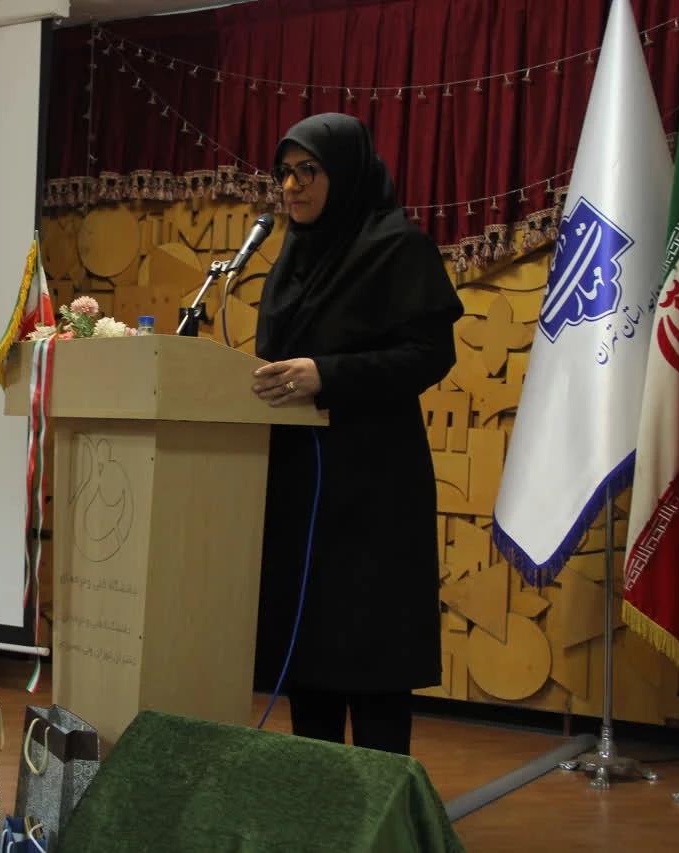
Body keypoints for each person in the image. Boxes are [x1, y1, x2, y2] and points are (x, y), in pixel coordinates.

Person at [250, 113, 464, 756]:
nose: (291, 186)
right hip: (298, 482)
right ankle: (317, 797)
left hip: (374, 486)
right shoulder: (292, 255)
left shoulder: (397, 246)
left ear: (344, 173)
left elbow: (429, 355)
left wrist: (329, 375)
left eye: (307, 171)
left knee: (373, 657)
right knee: (308, 654)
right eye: (284, 173)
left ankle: (378, 800)